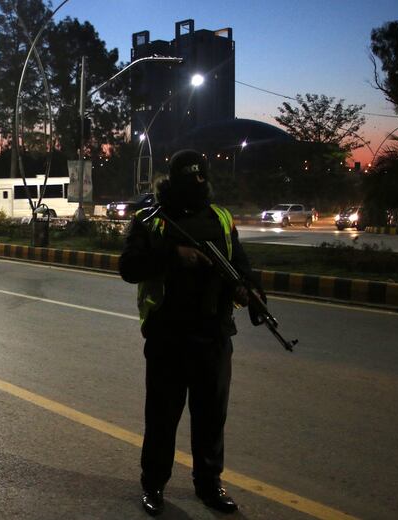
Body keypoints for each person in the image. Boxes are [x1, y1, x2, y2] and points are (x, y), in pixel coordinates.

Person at [119, 150, 264, 516]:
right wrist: (173, 256)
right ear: (174, 180)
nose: (197, 185)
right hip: (168, 336)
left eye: (202, 178)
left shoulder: (221, 218)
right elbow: (129, 267)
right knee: (162, 418)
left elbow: (240, 265)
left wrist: (250, 289)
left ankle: (209, 484)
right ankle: (153, 485)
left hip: (214, 335)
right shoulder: (151, 220)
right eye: (190, 178)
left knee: (211, 417)